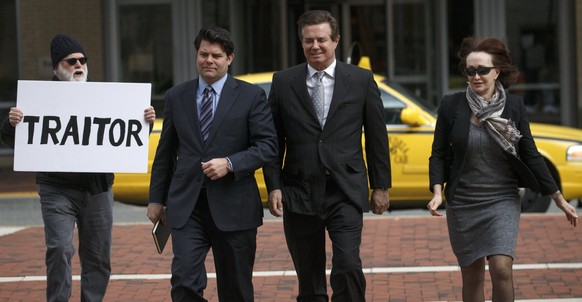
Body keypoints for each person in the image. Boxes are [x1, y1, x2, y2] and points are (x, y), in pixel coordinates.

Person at [0, 33, 156, 302]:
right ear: (56, 68)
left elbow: (127, 138)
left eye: (83, 60)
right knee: (59, 248)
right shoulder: (37, 101)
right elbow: (11, 139)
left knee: (98, 257)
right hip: (56, 189)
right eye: (71, 61)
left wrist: (145, 122)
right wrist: (11, 123)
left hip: (97, 189)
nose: (79, 65)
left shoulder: (105, 100)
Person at [427, 36, 578, 301]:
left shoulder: (514, 106)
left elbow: (530, 153)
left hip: (502, 199)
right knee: (472, 274)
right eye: (470, 70)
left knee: (501, 268)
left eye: (482, 70)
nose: (476, 76)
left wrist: (559, 198)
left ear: (497, 72)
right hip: (463, 202)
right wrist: (438, 192)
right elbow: (438, 153)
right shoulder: (452, 106)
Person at [263, 10, 391, 301]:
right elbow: (273, 140)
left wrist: (381, 186)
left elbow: (376, 137)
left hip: (344, 189)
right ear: (301, 43)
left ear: (336, 40)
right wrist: (273, 186)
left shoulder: (360, 79)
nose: (315, 46)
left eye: (322, 39)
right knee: (308, 277)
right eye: (308, 40)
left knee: (347, 265)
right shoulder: (283, 82)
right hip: (298, 190)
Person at [147, 26, 277, 302]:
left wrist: (230, 163)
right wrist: (156, 199)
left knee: (236, 290)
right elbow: (165, 152)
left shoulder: (251, 96)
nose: (209, 60)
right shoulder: (176, 96)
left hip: (235, 206)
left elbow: (268, 147)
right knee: (183, 283)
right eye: (203, 54)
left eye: (216, 55)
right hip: (187, 206)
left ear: (229, 58)